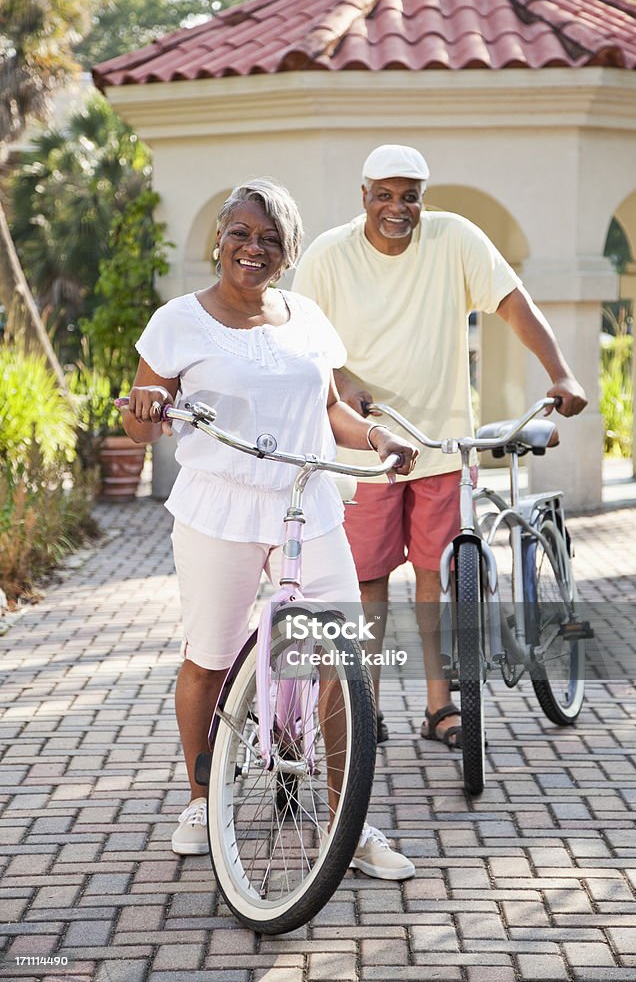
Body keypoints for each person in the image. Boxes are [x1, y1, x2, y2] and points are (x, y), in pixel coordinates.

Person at [121, 178, 419, 881]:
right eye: (240, 234)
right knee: (211, 656)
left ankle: (348, 823)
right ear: (218, 240)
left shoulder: (308, 319)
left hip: (306, 501)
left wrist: (374, 438)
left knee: (344, 669)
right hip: (218, 507)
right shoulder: (177, 322)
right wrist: (147, 405)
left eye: (270, 239)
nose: (252, 249)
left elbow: (329, 411)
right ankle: (202, 799)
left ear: (288, 254)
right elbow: (139, 425)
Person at [292, 145, 588, 749]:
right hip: (366, 450)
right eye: (384, 195)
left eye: (409, 196)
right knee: (368, 583)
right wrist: (344, 386)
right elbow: (305, 343)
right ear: (364, 197)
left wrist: (561, 372)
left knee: (436, 576)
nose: (396, 208)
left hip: (442, 445)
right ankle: (365, 709)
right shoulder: (328, 255)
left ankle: (438, 707)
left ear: (421, 199)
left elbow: (513, 303)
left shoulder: (453, 238)